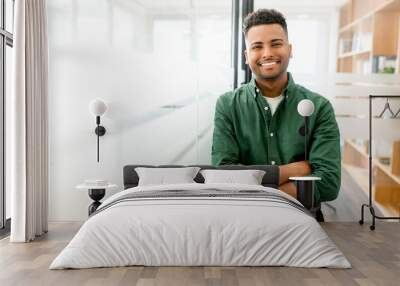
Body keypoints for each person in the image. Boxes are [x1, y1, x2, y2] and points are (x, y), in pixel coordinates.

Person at [211, 9, 341, 216]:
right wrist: (297, 170)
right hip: (244, 222)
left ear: (290, 49)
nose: (267, 53)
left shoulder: (319, 107)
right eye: (257, 46)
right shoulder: (228, 105)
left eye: (276, 44)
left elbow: (329, 184)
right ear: (247, 56)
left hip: (305, 223)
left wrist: (257, 192)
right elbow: (224, 177)